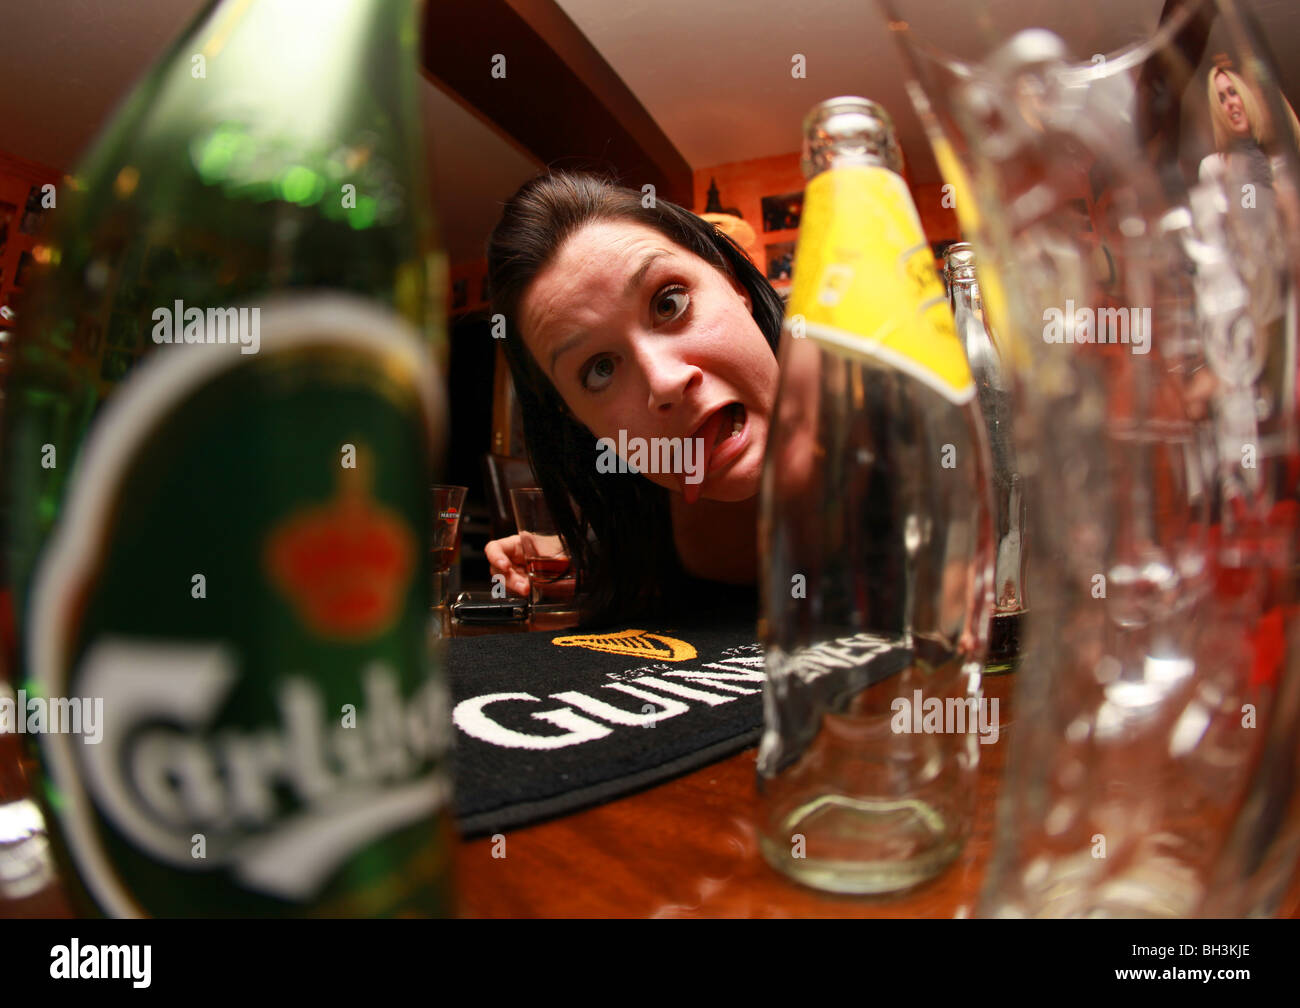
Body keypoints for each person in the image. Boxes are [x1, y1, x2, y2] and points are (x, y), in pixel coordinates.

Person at [483, 172, 784, 625]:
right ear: (576, 416)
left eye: (669, 304)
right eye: (600, 369)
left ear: (734, 284)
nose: (663, 382)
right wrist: (591, 559)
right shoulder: (639, 523)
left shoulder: (899, 412)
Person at [1199, 62, 1300, 188]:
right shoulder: (1213, 168)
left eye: (1233, 92)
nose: (1230, 103)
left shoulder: (1280, 160)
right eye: (1221, 99)